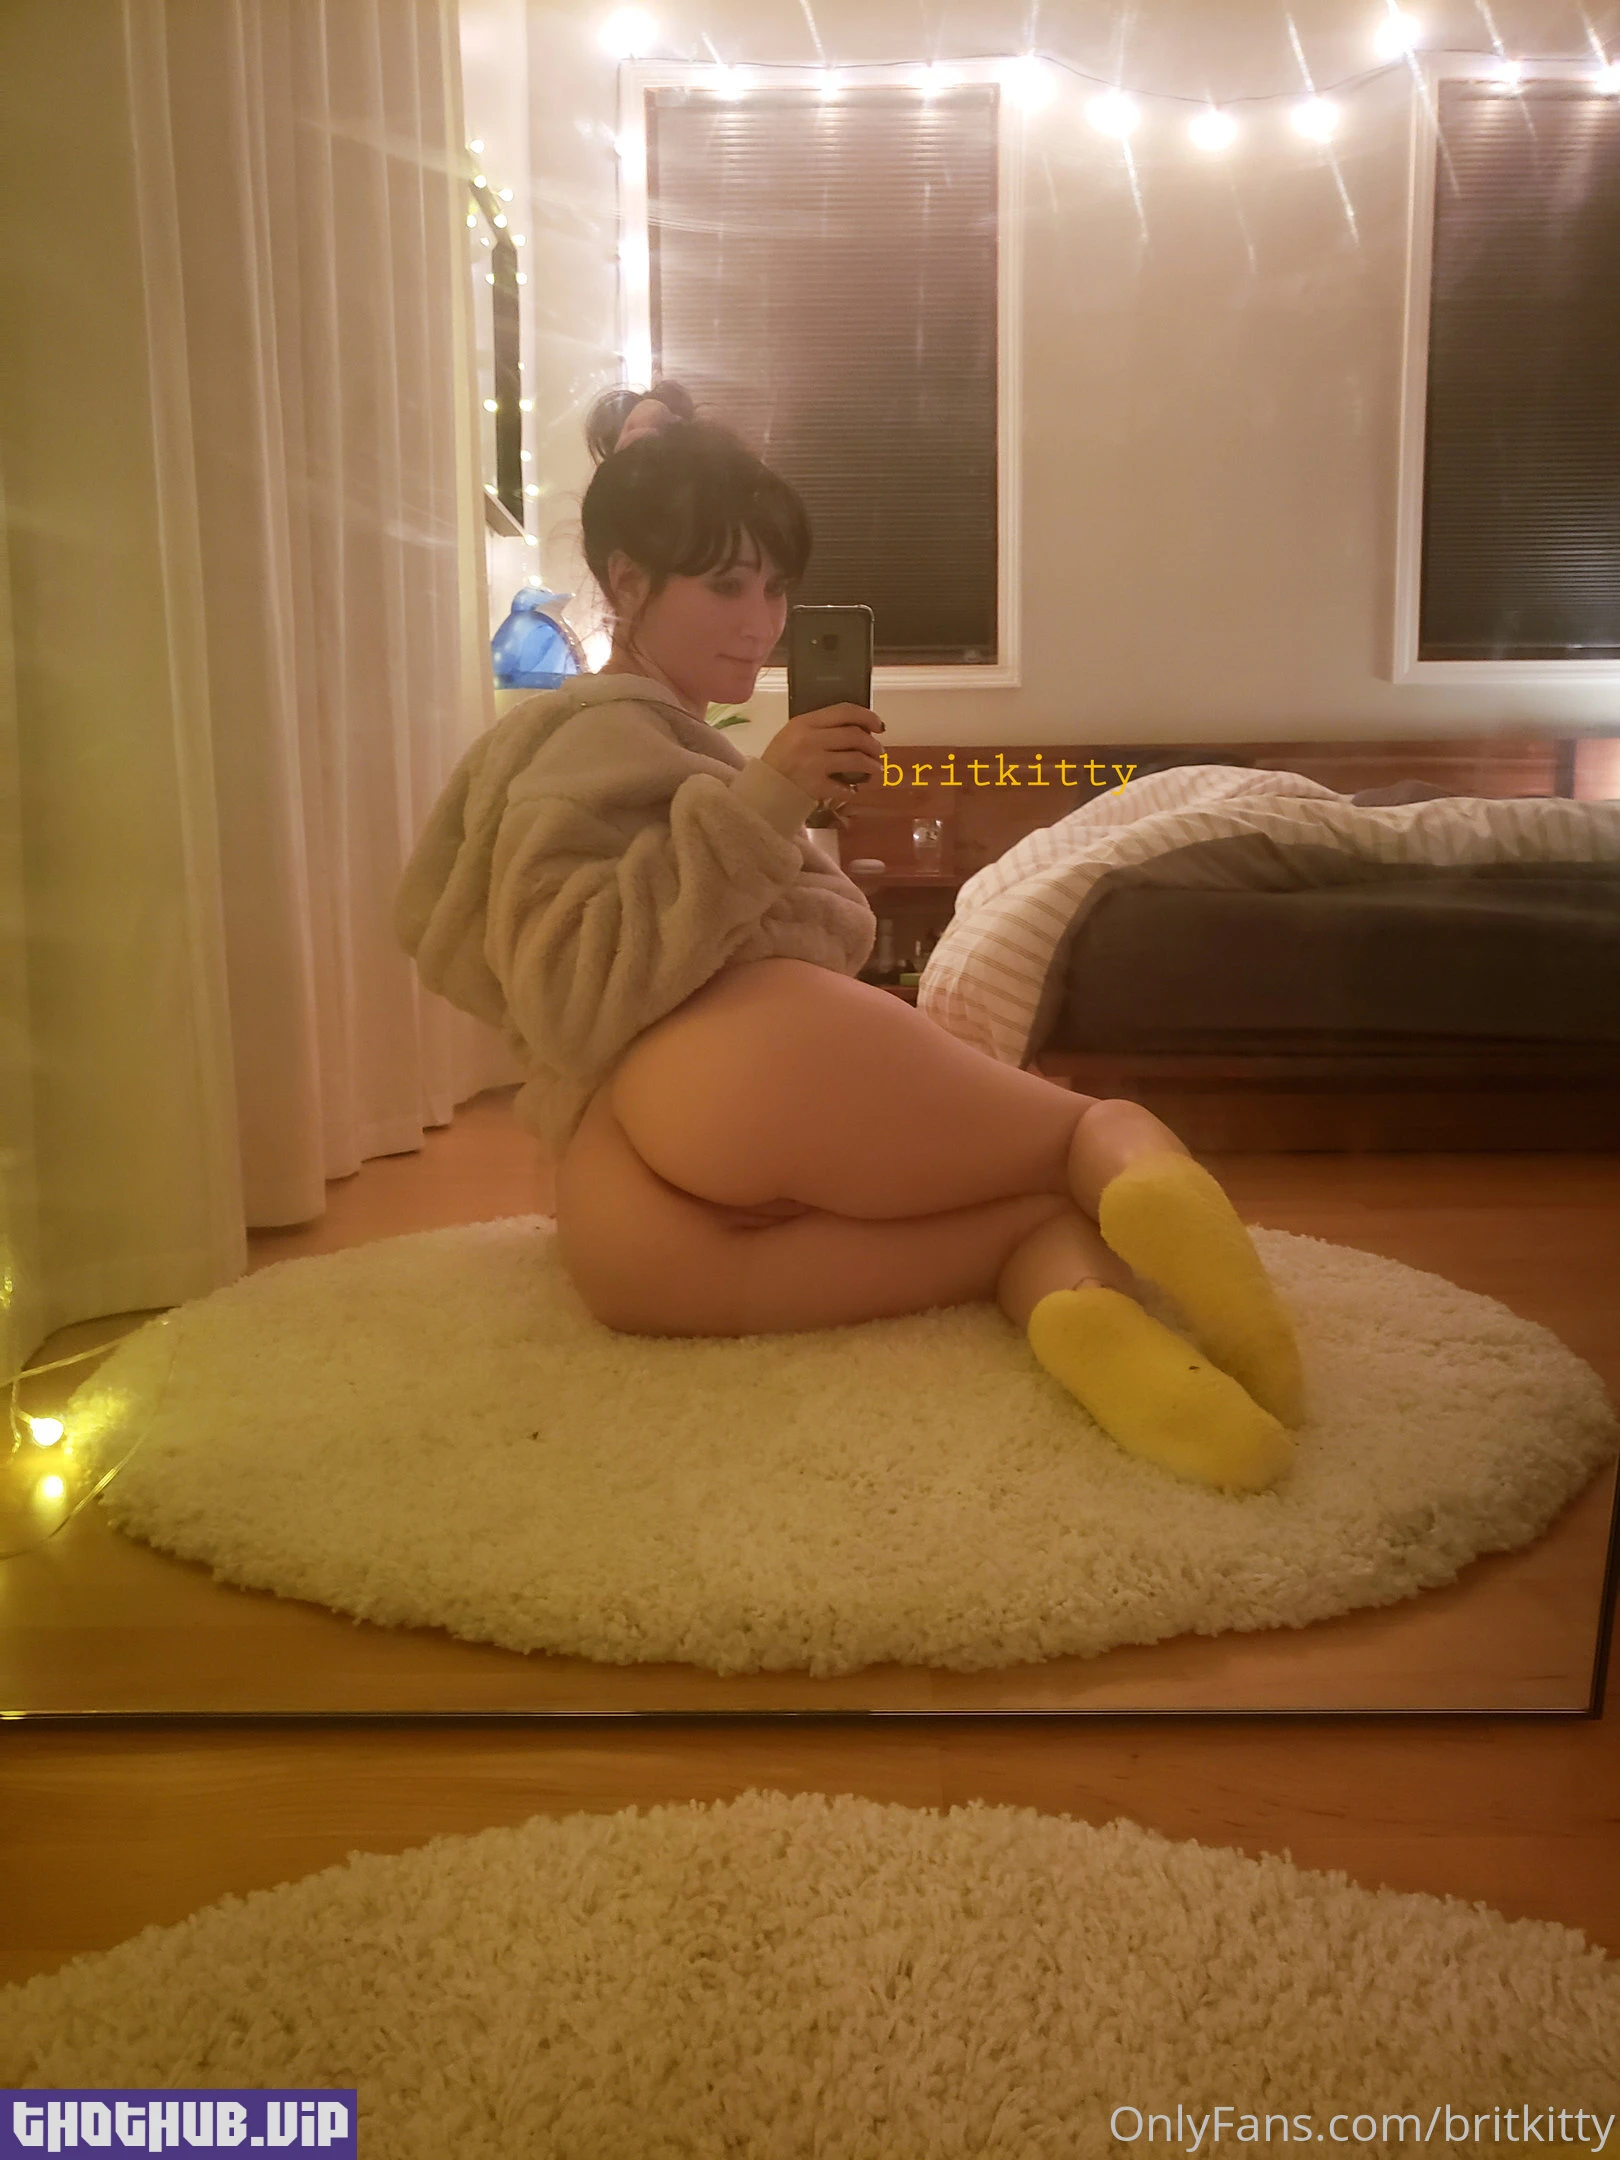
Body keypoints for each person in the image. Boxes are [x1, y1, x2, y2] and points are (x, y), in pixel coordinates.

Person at [396, 409, 1305, 1494]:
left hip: (630, 1232)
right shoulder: (598, 735)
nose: (761, 623)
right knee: (1080, 1139)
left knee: (1017, 1226)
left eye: (775, 589)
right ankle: (1258, 1345)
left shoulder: (638, 746)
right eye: (726, 585)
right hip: (727, 1074)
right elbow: (571, 989)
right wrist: (765, 800)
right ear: (627, 582)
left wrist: (770, 802)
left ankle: (1110, 1341)